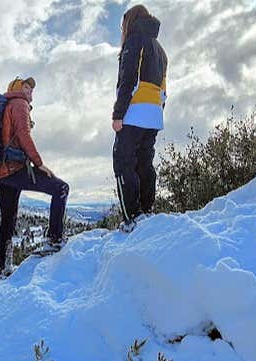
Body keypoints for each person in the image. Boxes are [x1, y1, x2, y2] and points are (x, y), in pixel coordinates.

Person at [0, 77, 70, 277]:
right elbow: (24, 134)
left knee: (8, 218)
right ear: (16, 89)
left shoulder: (4, 106)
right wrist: (39, 163)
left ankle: (4, 267)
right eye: (26, 87)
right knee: (60, 188)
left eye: (31, 89)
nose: (30, 92)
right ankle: (55, 239)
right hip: (14, 168)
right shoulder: (19, 104)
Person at [112, 4, 168, 232]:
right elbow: (164, 88)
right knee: (144, 161)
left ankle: (131, 217)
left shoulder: (134, 41)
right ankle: (146, 209)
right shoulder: (160, 49)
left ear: (129, 22)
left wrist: (118, 113)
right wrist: (158, 109)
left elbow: (128, 80)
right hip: (154, 113)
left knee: (123, 161)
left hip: (134, 111)